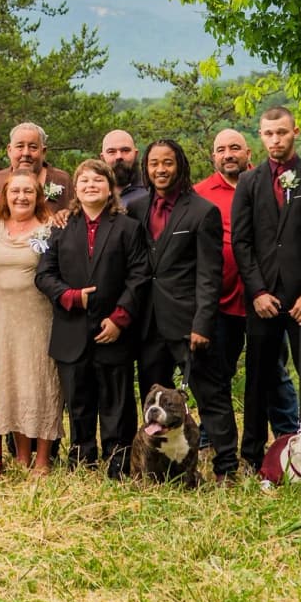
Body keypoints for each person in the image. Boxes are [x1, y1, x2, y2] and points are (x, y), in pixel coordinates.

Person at [231, 106, 301, 472]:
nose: (275, 140)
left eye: (281, 132)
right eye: (267, 133)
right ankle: (252, 455)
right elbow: (241, 242)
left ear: (295, 132)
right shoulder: (249, 182)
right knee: (258, 376)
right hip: (262, 298)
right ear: (259, 136)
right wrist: (257, 291)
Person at [35, 158, 150, 478]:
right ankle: (82, 456)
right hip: (71, 328)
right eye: (84, 181)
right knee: (79, 400)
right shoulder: (60, 228)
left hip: (113, 329)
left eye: (97, 181)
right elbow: (44, 275)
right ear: (76, 188)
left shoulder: (128, 227)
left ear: (110, 188)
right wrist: (71, 297)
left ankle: (118, 458)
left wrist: (119, 318)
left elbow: (139, 276)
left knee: (116, 399)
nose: (90, 186)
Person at [193, 128, 298, 456]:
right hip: (220, 301)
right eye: (221, 149)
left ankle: (289, 437)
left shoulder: (268, 184)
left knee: (273, 372)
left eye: (235, 147)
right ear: (213, 157)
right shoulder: (199, 193)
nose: (228, 154)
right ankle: (213, 439)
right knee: (217, 374)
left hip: (266, 299)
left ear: (248, 152)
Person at [125, 140, 227, 436]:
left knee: (211, 397)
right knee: (153, 399)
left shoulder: (202, 211)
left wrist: (203, 323)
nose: (160, 169)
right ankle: (157, 465)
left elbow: (210, 273)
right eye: (154, 163)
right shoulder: (136, 208)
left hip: (188, 322)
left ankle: (225, 467)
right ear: (145, 168)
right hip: (149, 322)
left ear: (180, 165)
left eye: (167, 163)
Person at [0, 170, 64, 473]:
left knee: (40, 382)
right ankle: (20, 454)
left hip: (38, 316)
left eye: (28, 191)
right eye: (15, 191)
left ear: (38, 196)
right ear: (5, 195)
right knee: (11, 382)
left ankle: (43, 457)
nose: (21, 197)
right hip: (1, 319)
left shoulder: (49, 227)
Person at [0, 121, 72, 201]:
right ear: (9, 150)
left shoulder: (62, 180)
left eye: (33, 147)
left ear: (43, 151)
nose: (26, 153)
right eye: (20, 146)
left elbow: (77, 210)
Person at [103, 129, 148, 207]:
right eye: (111, 152)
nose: (119, 156)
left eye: (125, 150)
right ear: (102, 157)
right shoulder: (91, 193)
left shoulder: (151, 192)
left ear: (135, 154)